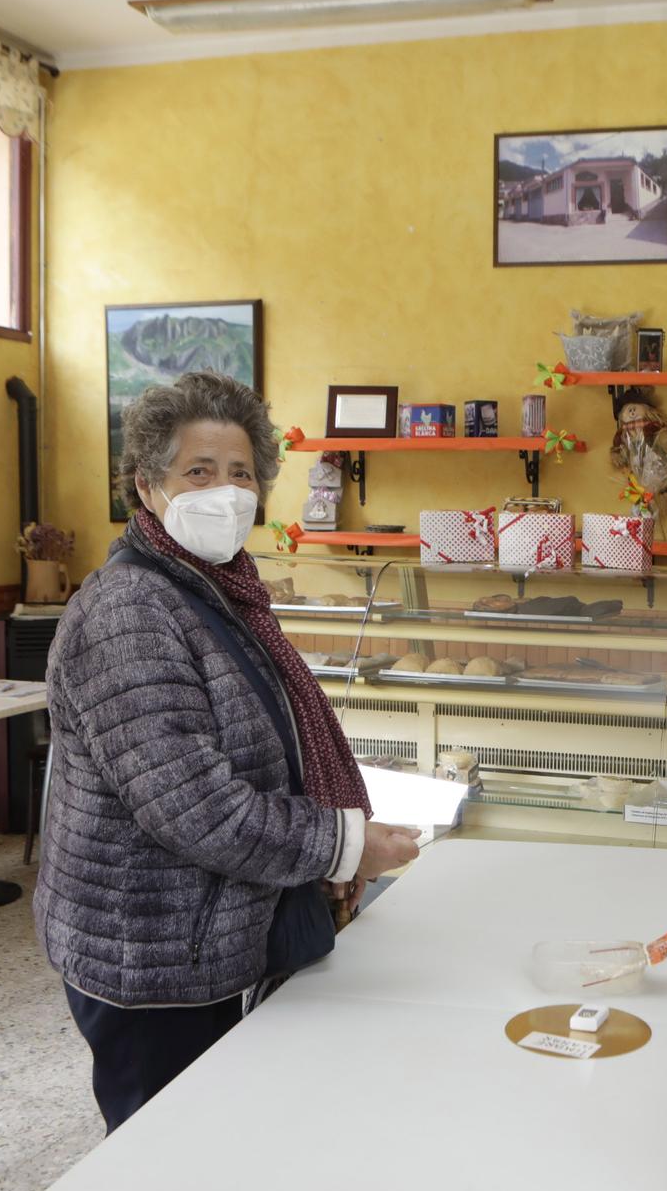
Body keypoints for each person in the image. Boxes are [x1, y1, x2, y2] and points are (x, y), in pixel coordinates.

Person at [34, 371, 420, 1132]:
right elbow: (197, 808)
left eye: (242, 473)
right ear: (148, 487)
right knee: (165, 1153)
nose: (226, 491)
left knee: (226, 1143)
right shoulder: (128, 612)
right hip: (150, 959)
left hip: (210, 940)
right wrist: (343, 844)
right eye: (199, 472)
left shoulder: (219, 592)